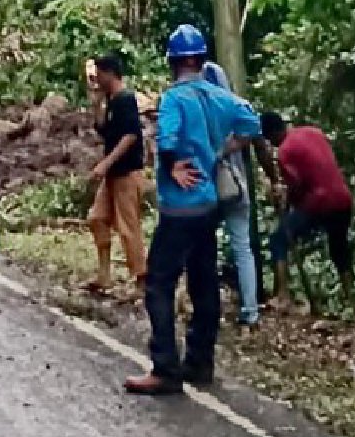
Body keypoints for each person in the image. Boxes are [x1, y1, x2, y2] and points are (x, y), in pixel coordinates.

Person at [124, 24, 261, 395]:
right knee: (203, 282)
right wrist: (222, 150)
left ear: (172, 61)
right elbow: (253, 123)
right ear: (201, 59)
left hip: (180, 207)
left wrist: (172, 167)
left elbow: (167, 139)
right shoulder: (220, 97)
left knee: (159, 283)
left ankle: (165, 367)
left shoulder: (173, 99)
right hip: (209, 204)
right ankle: (200, 362)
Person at [200, 62, 283, 329]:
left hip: (209, 188)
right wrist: (274, 179)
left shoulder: (199, 109)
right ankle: (250, 311)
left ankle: (206, 307)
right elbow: (261, 147)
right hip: (237, 187)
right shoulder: (237, 106)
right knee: (242, 247)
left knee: (203, 247)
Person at [259, 112, 354, 309]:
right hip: (343, 199)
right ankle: (351, 299)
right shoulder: (314, 132)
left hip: (321, 203)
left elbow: (296, 185)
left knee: (278, 239)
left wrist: (283, 199)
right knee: (339, 248)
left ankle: (283, 294)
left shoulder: (285, 150)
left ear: (273, 134)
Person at [84, 55, 148, 295]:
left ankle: (142, 279)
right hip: (113, 174)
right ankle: (104, 275)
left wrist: (105, 164)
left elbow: (131, 135)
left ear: (110, 73)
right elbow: (103, 129)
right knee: (97, 219)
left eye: (99, 74)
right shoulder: (111, 100)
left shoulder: (125, 99)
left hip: (126, 172)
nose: (97, 78)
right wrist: (96, 101)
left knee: (128, 226)